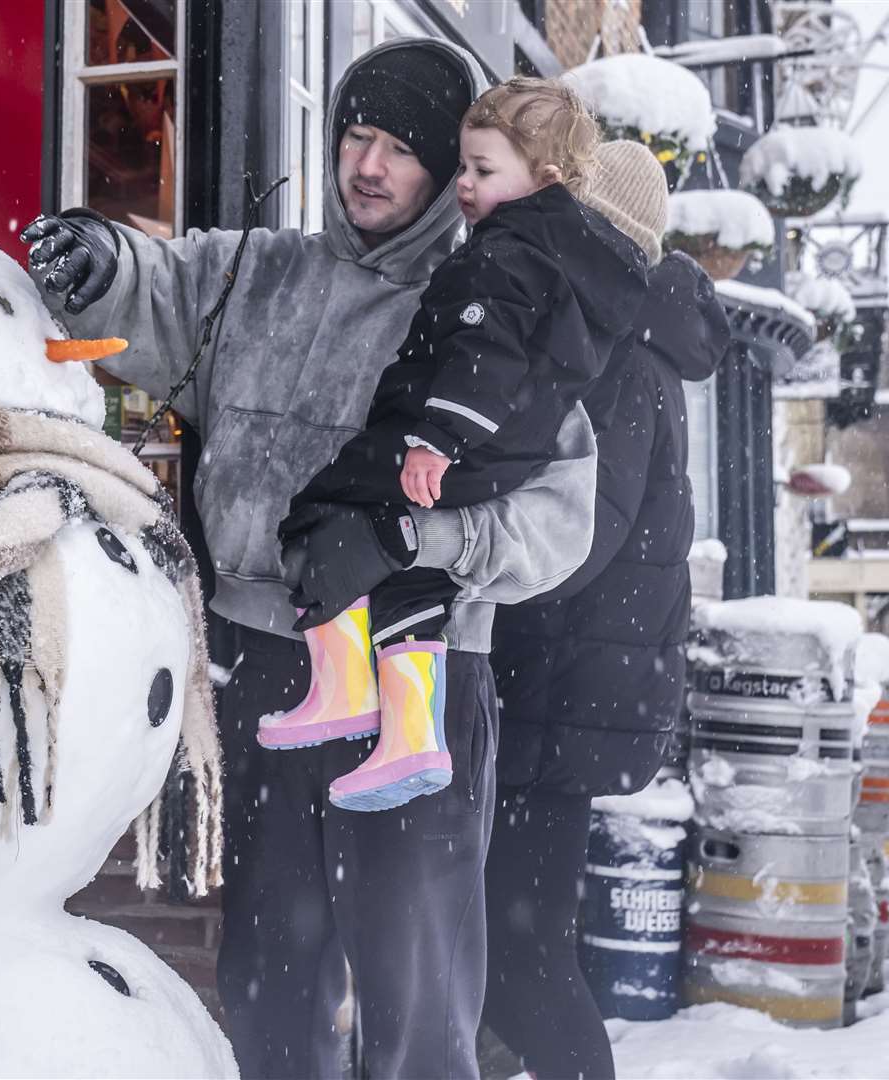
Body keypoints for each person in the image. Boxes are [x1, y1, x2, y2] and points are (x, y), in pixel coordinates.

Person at [21, 39, 598, 1080]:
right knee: (267, 972)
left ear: (446, 168)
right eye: (353, 137)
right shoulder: (263, 272)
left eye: (397, 149)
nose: (364, 166)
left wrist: (406, 539)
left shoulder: (493, 299)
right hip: (266, 671)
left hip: (412, 672)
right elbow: (161, 283)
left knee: (412, 987)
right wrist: (99, 262)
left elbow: (558, 519)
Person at [262, 78, 647, 815]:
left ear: (545, 180)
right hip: (504, 451)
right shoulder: (569, 258)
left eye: (482, 171)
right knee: (414, 582)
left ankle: (341, 691)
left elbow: (485, 353)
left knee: (319, 515)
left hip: (455, 440)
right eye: (463, 167)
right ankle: (413, 739)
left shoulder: (503, 255)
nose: (463, 185)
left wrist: (434, 439)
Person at [480, 140, 732, 1080]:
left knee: (520, 958)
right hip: (568, 693)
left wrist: (463, 570)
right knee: (510, 951)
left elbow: (579, 537)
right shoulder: (628, 340)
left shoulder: (616, 352)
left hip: (552, 695)